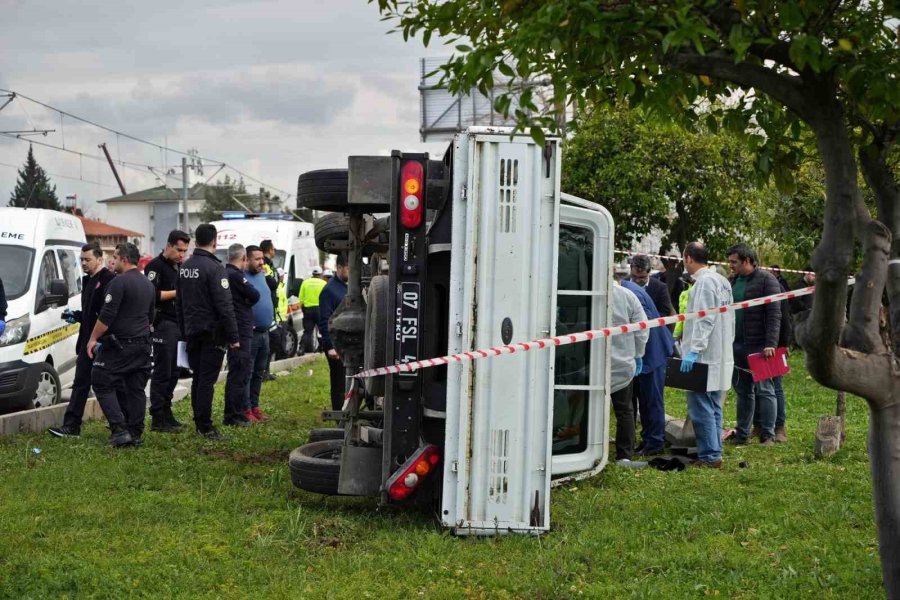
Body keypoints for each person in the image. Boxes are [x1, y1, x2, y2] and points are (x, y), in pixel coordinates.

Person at [86, 243, 155, 447]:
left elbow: (107, 315)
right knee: (136, 388)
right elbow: (151, 316)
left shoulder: (119, 282)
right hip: (143, 344)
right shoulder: (148, 285)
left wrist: (92, 339)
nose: (111, 260)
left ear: (124, 259)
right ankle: (135, 432)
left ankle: (119, 430)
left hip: (121, 345)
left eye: (115, 256)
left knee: (100, 379)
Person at [176, 223, 240, 440]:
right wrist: (233, 336)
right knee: (206, 381)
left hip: (192, 332)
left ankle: (199, 422)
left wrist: (183, 331)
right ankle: (205, 426)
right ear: (215, 241)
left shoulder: (185, 267)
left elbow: (180, 302)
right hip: (212, 333)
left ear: (195, 240)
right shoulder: (215, 268)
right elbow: (225, 305)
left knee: (198, 379)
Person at [48, 243, 116, 438]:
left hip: (101, 343)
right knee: (80, 384)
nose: (84, 263)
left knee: (108, 385)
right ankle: (71, 426)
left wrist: (100, 338)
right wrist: (76, 316)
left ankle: (120, 425)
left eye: (88, 259)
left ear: (100, 259)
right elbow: (90, 313)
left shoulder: (109, 280)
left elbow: (107, 314)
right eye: (81, 260)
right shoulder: (88, 281)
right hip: (86, 341)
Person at [679, 241, 735, 468]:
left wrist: (693, 350)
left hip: (704, 355)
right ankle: (715, 450)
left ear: (689, 258)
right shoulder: (722, 281)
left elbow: (704, 319)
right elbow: (729, 317)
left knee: (700, 406)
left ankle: (710, 455)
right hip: (720, 352)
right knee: (714, 405)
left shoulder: (703, 283)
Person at [726, 243, 782, 446]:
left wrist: (771, 343)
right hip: (736, 345)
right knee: (743, 391)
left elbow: (775, 314)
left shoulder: (767, 280)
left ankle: (768, 435)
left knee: (765, 390)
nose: (730, 266)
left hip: (760, 346)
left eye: (734, 262)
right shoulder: (732, 281)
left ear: (747, 260)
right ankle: (742, 434)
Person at [621, 277, 675, 456]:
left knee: (652, 400)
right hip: (648, 350)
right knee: (645, 399)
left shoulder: (629, 293)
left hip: (653, 350)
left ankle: (655, 443)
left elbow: (644, 327)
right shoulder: (627, 288)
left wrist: (637, 355)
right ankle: (648, 439)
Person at [144, 230, 190, 432]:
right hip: (164, 324)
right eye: (179, 250)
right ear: (169, 245)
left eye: (185, 251)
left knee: (174, 372)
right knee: (163, 371)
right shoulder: (155, 266)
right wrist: (179, 292)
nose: (182, 254)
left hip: (179, 324)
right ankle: (157, 416)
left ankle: (167, 411)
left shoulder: (179, 267)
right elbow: (152, 294)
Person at [609, 268, 649, 462]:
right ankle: (624, 454)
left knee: (587, 407)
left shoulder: (590, 293)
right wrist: (638, 354)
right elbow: (642, 329)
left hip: (591, 364)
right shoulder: (627, 295)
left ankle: (590, 445)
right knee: (624, 410)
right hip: (622, 362)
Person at [224, 243, 260, 427]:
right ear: (243, 258)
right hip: (240, 331)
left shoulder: (225, 273)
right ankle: (234, 415)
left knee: (238, 373)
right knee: (239, 374)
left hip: (236, 330)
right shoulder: (237, 276)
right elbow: (254, 295)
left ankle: (234, 413)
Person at [243, 245, 274, 422]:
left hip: (265, 333)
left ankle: (255, 406)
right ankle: (246, 408)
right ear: (246, 260)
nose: (261, 262)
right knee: (247, 372)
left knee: (258, 373)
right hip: (251, 333)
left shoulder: (262, 276)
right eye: (257, 259)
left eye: (262, 258)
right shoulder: (242, 277)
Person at [319, 252, 349, 410]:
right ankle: (339, 414)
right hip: (336, 345)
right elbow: (324, 319)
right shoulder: (329, 290)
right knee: (339, 382)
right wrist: (330, 346)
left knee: (347, 379)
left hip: (348, 342)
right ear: (339, 268)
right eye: (349, 268)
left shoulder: (348, 286)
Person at [259, 239, 281, 380]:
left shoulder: (269, 264)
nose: (275, 251)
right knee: (272, 339)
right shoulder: (265, 264)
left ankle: (264, 370)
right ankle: (263, 371)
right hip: (267, 306)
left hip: (271, 305)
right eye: (274, 248)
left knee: (271, 340)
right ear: (269, 249)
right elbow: (272, 283)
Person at [298, 266, 327, 353]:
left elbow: (301, 299)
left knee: (308, 331)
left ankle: (301, 349)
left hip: (308, 310)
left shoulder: (305, 283)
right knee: (322, 330)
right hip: (319, 309)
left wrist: (304, 310)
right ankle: (322, 348)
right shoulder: (323, 283)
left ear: (313, 274)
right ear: (320, 274)